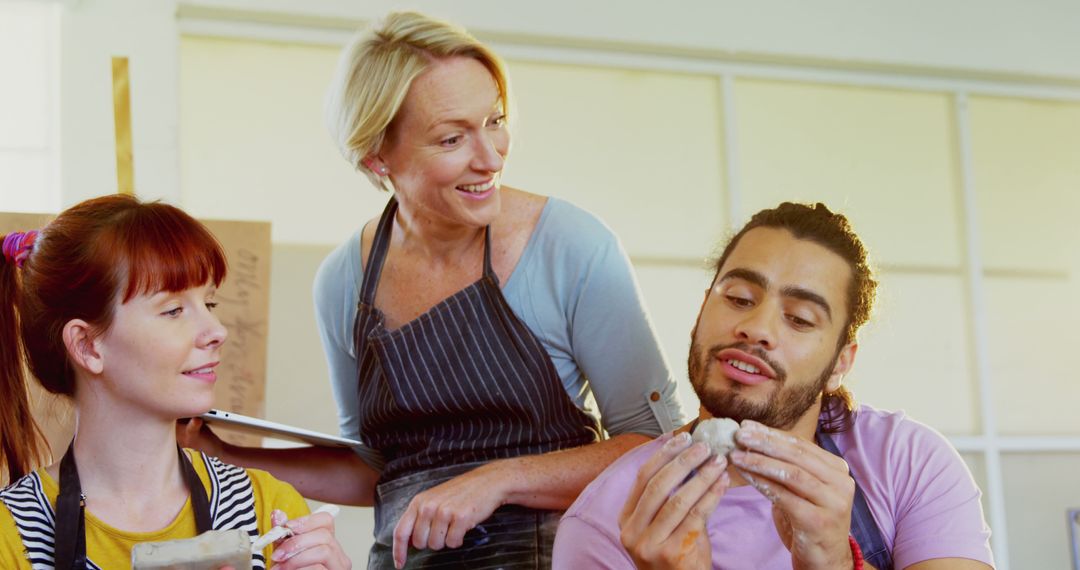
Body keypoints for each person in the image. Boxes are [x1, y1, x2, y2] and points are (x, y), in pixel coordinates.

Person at [177, 10, 684, 570]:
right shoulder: (345, 280)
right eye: (452, 138)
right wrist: (223, 455)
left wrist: (498, 480)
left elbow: (657, 450)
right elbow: (377, 468)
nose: (491, 156)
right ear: (377, 157)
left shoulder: (570, 246)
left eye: (495, 120)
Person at [552, 202, 995, 569]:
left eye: (800, 319)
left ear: (842, 361)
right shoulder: (605, 522)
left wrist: (836, 563)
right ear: (701, 312)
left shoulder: (907, 464)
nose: (756, 327)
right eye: (739, 299)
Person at [0, 195, 350, 570]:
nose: (217, 331)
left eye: (209, 304)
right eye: (173, 310)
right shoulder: (11, 534)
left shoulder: (269, 512)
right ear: (87, 346)